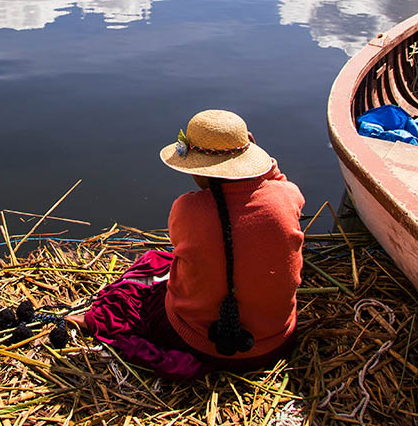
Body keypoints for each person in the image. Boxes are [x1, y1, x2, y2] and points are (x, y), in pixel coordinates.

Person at [71, 109, 305, 378]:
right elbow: (277, 184)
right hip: (274, 344)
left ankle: (89, 319)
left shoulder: (187, 209)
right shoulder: (287, 196)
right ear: (247, 157)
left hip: (197, 345)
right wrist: (264, 164)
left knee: (138, 285)